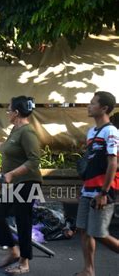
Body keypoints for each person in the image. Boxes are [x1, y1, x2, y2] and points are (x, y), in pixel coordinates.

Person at [0, 96, 42, 275]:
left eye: (9, 109)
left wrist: (12, 174)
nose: (7, 112)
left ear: (16, 112)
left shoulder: (28, 132)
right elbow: (7, 148)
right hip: (11, 184)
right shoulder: (15, 130)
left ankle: (24, 263)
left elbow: (34, 160)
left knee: (23, 221)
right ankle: (13, 251)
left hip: (26, 183)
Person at [74, 91, 119, 276]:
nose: (88, 106)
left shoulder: (111, 131)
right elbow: (92, 162)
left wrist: (103, 192)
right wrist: (84, 188)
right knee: (83, 230)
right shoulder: (91, 132)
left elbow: (113, 163)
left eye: (92, 103)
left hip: (103, 191)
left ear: (104, 108)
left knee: (99, 233)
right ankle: (88, 270)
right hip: (88, 189)